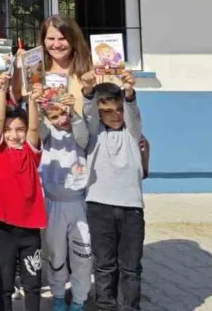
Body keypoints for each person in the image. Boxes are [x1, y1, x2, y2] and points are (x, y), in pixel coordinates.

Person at [82, 74, 144, 311]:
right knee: (105, 265)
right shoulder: (93, 136)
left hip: (131, 209)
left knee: (130, 268)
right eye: (107, 111)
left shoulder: (132, 132)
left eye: (118, 109)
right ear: (99, 113)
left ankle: (130, 307)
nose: (115, 115)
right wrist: (88, 93)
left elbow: (132, 112)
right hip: (99, 207)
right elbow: (87, 116)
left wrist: (128, 92)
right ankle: (105, 306)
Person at [0, 72, 46, 311]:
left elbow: (33, 127)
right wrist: (2, 90)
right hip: (3, 229)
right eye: (10, 130)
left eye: (18, 130)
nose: (14, 134)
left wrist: (32, 99)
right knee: (5, 284)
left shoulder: (32, 153)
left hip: (31, 229)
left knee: (33, 283)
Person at [38, 91, 92, 311]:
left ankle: (79, 299)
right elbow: (37, 130)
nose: (61, 120)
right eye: (55, 116)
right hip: (52, 204)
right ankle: (58, 295)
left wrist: (74, 112)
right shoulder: (47, 134)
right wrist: (37, 106)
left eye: (64, 114)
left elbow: (83, 135)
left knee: (83, 253)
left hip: (79, 203)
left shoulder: (79, 132)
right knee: (55, 253)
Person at [41, 15, 93, 115]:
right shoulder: (36, 69)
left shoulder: (92, 67)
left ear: (74, 39)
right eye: (51, 39)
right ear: (44, 41)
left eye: (63, 39)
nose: (56, 45)